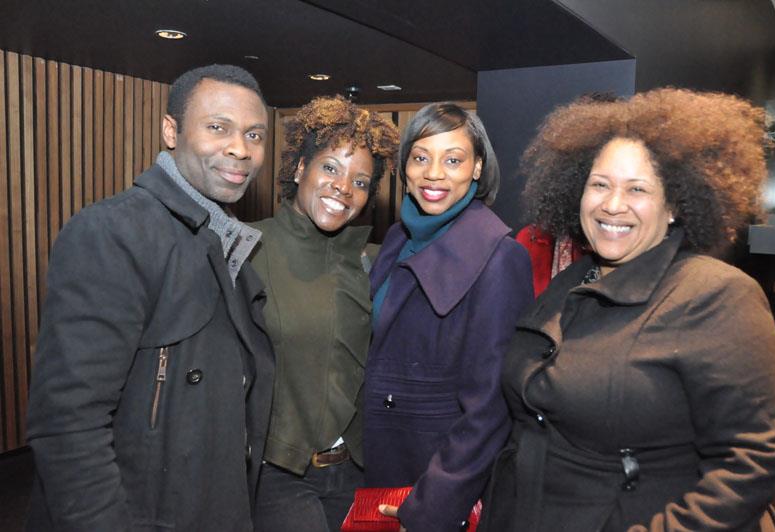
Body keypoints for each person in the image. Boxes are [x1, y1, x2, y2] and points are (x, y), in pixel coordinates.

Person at [480, 88, 775, 531]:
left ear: (674, 204)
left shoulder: (718, 295)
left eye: (637, 189)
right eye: (599, 185)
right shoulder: (571, 281)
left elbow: (750, 464)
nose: (612, 204)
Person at [26, 64, 275, 531]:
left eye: (254, 135)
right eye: (217, 127)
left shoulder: (226, 240)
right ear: (171, 131)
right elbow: (68, 423)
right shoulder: (113, 231)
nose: (240, 149)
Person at [362, 102, 533, 531]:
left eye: (453, 160)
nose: (433, 174)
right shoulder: (397, 238)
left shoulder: (500, 257)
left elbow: (489, 409)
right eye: (420, 158)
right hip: (378, 467)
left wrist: (431, 508)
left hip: (433, 483)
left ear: (478, 168)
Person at [248, 95, 398, 532]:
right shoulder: (246, 248)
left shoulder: (374, 260)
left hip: (357, 472)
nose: (343, 187)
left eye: (360, 181)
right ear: (299, 169)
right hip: (279, 473)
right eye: (330, 168)